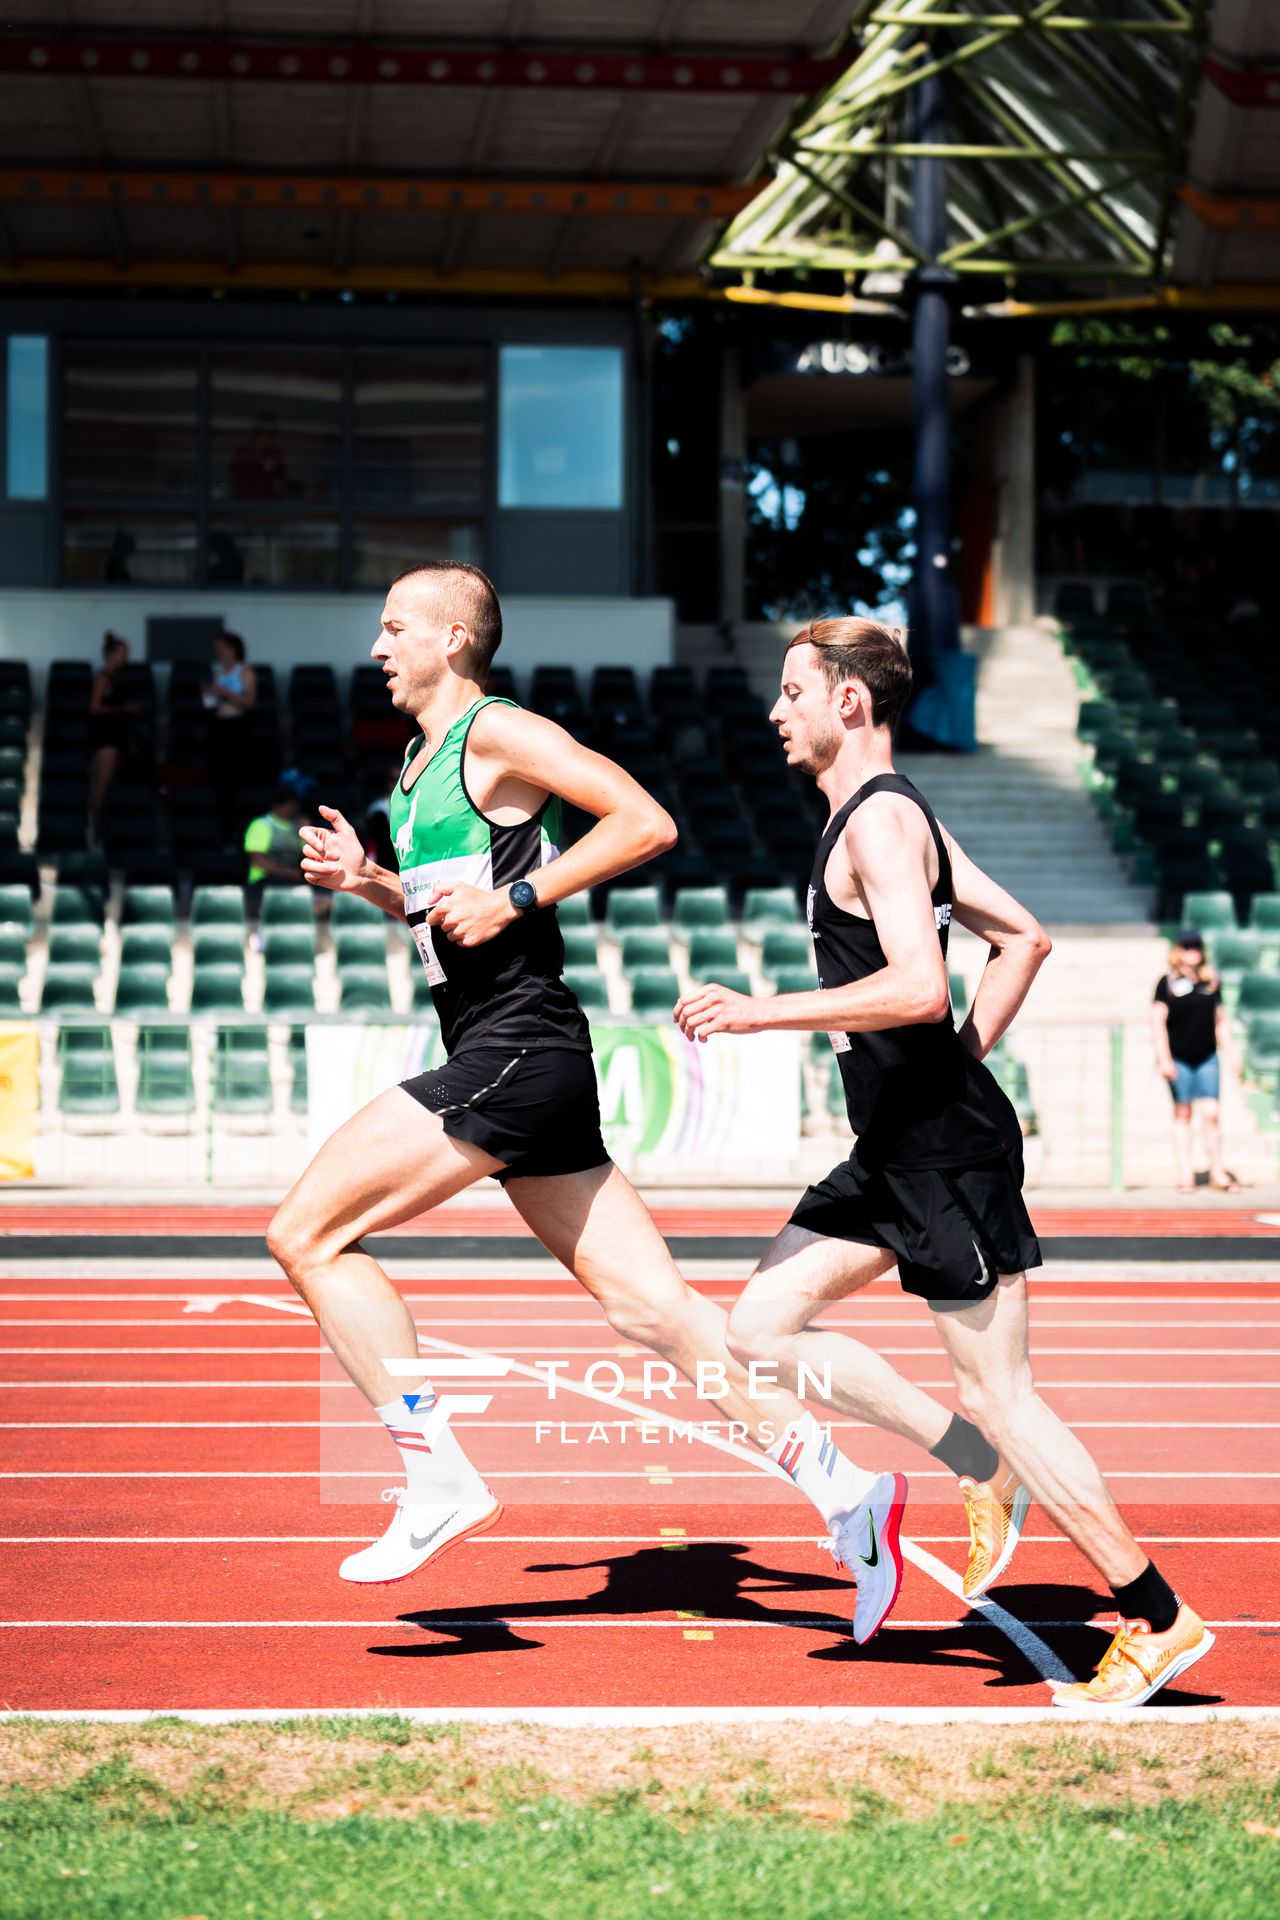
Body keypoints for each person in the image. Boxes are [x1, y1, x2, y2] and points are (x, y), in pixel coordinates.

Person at [265, 564, 1000, 1640]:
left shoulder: (495, 733)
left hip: (518, 1046)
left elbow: (643, 823)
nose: (377, 647)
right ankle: (846, 1494)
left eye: (395, 627)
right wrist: (370, 885)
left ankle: (433, 1476)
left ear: (456, 637)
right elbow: (450, 912)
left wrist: (522, 892)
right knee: (655, 1313)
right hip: (506, 1048)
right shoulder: (419, 764)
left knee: (305, 1233)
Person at [675, 617, 1214, 1708]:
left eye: (792, 692)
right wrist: (956, 1061)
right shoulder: (888, 815)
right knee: (754, 1327)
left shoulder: (879, 826)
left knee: (1005, 1396)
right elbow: (1023, 939)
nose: (775, 711)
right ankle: (976, 1464)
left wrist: (760, 1012)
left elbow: (919, 987)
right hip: (896, 1143)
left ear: (849, 704)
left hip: (940, 1155)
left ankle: (1154, 1617)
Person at [1153, 929, 1240, 1193]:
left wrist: (1232, 1053)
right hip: (1180, 1057)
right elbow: (1157, 1022)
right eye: (1187, 946)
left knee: (1212, 1113)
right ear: (1177, 950)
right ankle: (1185, 1173)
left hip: (1207, 1057)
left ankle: (1217, 1171)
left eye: (1196, 947)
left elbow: (1220, 1022)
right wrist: (1164, 1058)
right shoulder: (1166, 983)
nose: (1192, 951)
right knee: (1183, 1113)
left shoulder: (1211, 981)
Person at [204, 632, 258, 845]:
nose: (219, 653)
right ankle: (224, 834)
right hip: (219, 728)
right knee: (220, 784)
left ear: (233, 649)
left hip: (237, 729)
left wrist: (223, 692)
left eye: (222, 648)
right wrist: (209, 694)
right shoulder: (219, 673)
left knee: (236, 782)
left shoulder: (245, 672)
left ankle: (238, 835)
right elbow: (213, 704)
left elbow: (249, 703)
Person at [88, 632, 141, 843]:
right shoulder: (103, 677)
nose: (126, 657)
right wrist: (124, 708)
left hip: (117, 736)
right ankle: (95, 832)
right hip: (105, 736)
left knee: (112, 786)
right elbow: (94, 707)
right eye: (122, 653)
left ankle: (104, 830)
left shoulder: (118, 678)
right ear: (110, 654)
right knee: (102, 784)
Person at [243, 785, 306, 920]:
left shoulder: (300, 826)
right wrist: (288, 873)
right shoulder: (261, 825)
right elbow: (258, 860)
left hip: (293, 880)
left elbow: (309, 855)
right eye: (286, 804)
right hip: (264, 881)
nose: (291, 808)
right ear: (275, 806)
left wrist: (306, 833)